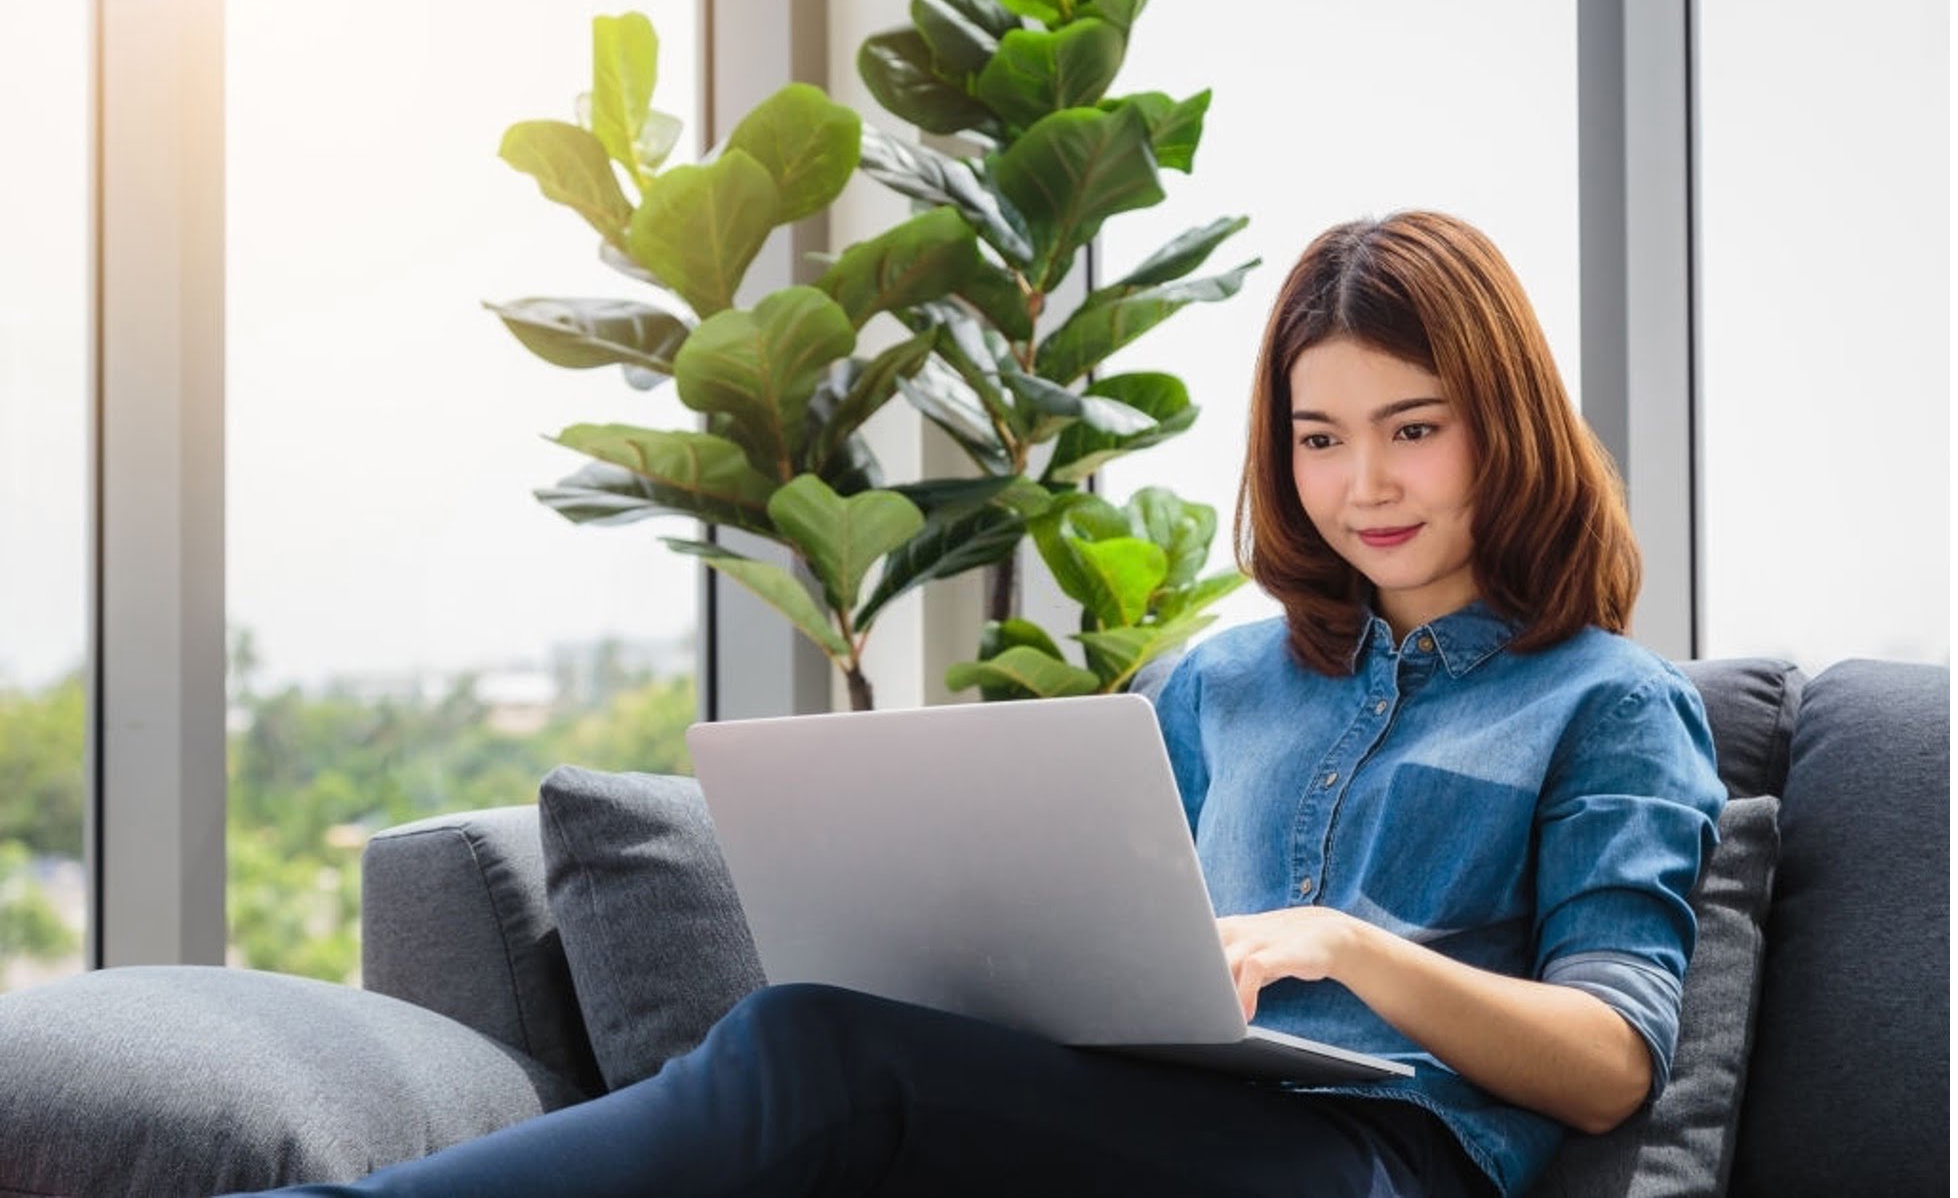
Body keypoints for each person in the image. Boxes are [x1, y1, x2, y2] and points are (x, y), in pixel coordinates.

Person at [245, 210, 1724, 1198]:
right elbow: (1117, 942)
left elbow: (1607, 1065)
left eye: (1414, 430)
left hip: (1370, 1164)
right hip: (1145, 1121)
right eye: (1319, 437)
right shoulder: (1216, 681)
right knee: (839, 1059)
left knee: (817, 1052)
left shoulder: (1605, 704)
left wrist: (1344, 947)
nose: (1365, 486)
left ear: (1503, 425)